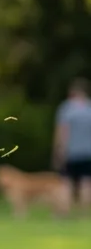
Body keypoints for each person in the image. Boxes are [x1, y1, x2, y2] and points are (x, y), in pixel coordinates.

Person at [54, 77, 91, 213]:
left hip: (70, 152)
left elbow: (62, 132)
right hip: (88, 152)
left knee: (66, 182)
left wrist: (58, 151)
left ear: (73, 92)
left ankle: (65, 212)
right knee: (86, 183)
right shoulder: (89, 109)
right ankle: (85, 213)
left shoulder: (66, 109)